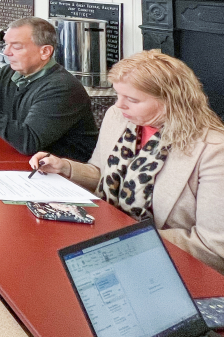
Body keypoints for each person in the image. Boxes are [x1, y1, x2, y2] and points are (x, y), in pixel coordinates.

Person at [30, 51, 224, 274]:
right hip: (106, 240)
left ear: (172, 101)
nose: (119, 105)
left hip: (169, 265)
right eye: (118, 95)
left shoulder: (214, 150)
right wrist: (66, 168)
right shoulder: (119, 117)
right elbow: (102, 174)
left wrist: (123, 241)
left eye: (132, 100)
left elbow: (212, 246)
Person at [0, 17, 98, 162]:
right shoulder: (7, 72)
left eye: (16, 46)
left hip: (60, 174)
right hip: (19, 159)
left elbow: (28, 142)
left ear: (45, 51)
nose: (6, 52)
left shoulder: (62, 87)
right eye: (5, 44)